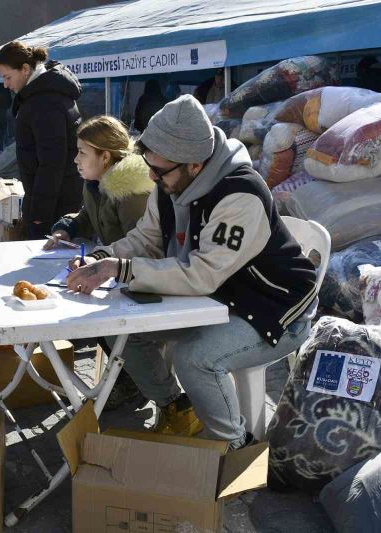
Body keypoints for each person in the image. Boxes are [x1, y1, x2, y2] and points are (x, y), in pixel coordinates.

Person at [67, 95, 317, 449]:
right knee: (123, 326)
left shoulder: (240, 195)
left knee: (196, 359)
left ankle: (232, 446)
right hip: (218, 297)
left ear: (196, 165)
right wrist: (102, 256)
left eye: (160, 170)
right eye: (150, 167)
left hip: (273, 307)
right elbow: (146, 238)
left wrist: (121, 270)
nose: (152, 177)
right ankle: (178, 406)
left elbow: (201, 274)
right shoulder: (169, 181)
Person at [44, 115, 153, 409]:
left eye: (82, 152)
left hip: (134, 279)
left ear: (105, 157)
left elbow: (142, 244)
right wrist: (65, 228)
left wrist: (102, 262)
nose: (76, 159)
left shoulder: (131, 193)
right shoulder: (96, 183)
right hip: (112, 272)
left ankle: (134, 382)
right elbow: (85, 215)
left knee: (97, 319)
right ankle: (127, 378)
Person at [0, 41, 83, 239]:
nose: (5, 84)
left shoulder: (44, 103)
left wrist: (39, 215)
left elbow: (51, 164)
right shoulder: (50, 93)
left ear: (25, 69)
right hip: (63, 197)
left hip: (54, 205)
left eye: (7, 77)